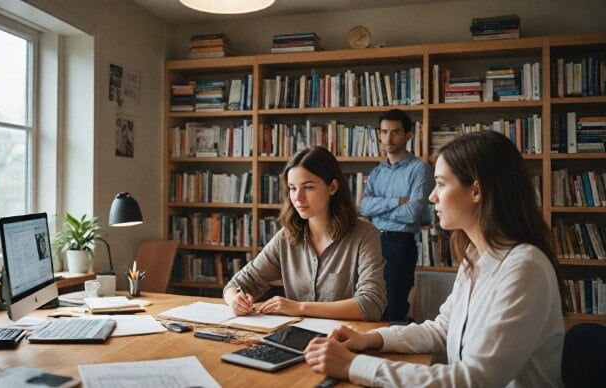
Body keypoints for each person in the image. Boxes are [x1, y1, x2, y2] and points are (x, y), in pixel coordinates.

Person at [304, 130, 568, 387]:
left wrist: (352, 365)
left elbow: (475, 379)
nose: (431, 196)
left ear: (476, 191)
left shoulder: (524, 268)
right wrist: (370, 339)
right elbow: (441, 329)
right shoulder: (475, 256)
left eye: (440, 184)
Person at [223, 146, 387, 321]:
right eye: (292, 188)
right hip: (296, 337)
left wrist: (299, 307)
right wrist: (235, 300)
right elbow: (237, 284)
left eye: (308, 187)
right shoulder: (286, 237)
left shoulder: (365, 234)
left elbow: (370, 305)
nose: (298, 197)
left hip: (343, 340)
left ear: (332, 187)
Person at [360, 108, 435, 321]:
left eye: (395, 132)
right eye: (384, 132)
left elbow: (412, 213)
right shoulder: (377, 172)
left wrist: (379, 212)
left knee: (394, 306)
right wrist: (395, 202)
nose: (388, 138)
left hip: (400, 244)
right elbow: (364, 207)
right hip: (372, 242)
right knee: (369, 302)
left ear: (408, 135)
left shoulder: (420, 170)